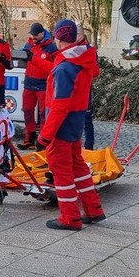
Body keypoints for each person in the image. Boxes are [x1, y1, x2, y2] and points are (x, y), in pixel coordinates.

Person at [37, 19, 105, 230]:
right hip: (75, 124)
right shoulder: (83, 61)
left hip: (60, 127)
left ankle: (69, 217)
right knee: (79, 167)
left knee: (61, 171)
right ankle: (93, 209)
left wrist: (44, 136)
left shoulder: (65, 67)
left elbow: (59, 105)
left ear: (57, 38)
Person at [19, 22, 56, 149]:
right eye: (32, 35)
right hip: (29, 83)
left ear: (42, 34)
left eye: (35, 35)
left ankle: (43, 140)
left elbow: (54, 68)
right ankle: (29, 137)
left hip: (43, 84)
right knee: (27, 110)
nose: (33, 37)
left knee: (43, 114)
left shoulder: (51, 48)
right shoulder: (28, 45)